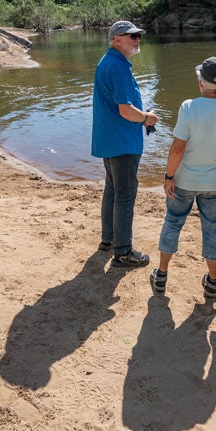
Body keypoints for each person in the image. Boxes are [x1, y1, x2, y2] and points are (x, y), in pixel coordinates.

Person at [151, 56, 216, 298]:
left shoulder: (189, 107)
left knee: (173, 221)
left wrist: (168, 176)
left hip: (184, 181)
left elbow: (178, 148)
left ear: (201, 82)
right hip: (215, 184)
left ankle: (161, 274)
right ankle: (212, 281)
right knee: (212, 227)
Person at [91, 20, 158, 267]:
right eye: (132, 36)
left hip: (110, 139)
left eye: (138, 35)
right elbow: (125, 110)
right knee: (125, 195)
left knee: (113, 189)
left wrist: (141, 115)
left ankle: (109, 240)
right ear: (116, 39)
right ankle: (123, 252)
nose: (137, 39)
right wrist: (147, 118)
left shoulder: (107, 61)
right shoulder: (118, 66)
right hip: (122, 141)